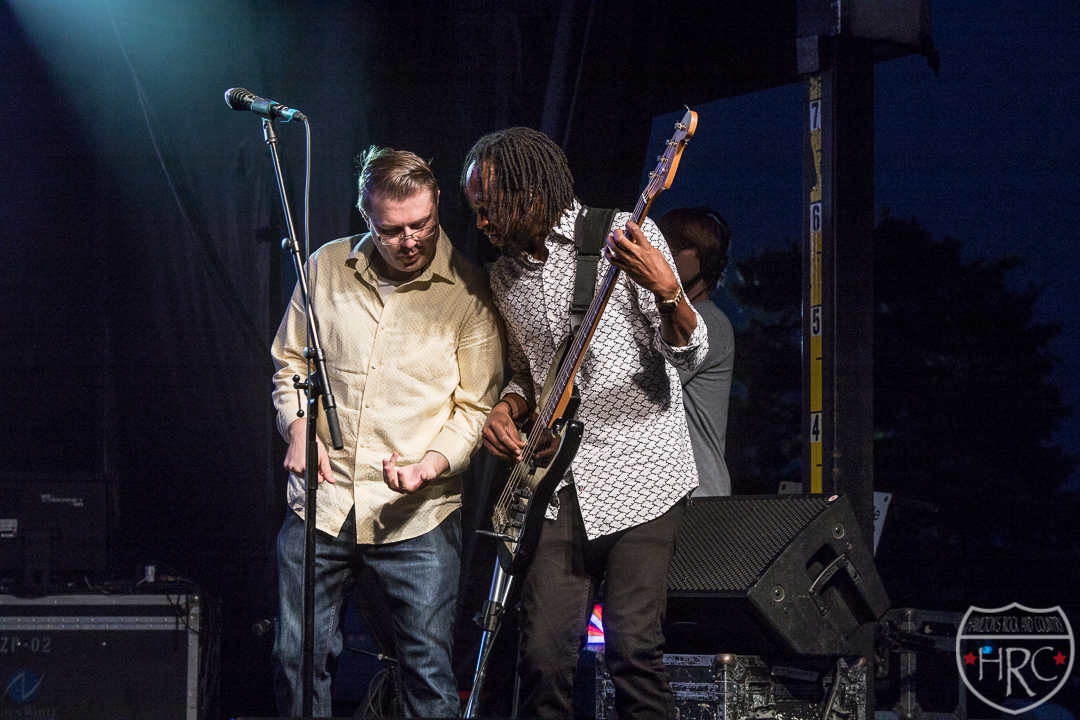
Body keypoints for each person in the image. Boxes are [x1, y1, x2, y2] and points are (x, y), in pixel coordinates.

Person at [462, 127, 708, 720]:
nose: (481, 222)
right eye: (475, 209)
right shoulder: (505, 278)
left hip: (642, 477)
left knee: (633, 654)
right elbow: (530, 374)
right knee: (542, 660)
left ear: (530, 192)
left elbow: (689, 355)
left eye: (489, 206)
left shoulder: (624, 234)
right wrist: (506, 408)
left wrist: (668, 291)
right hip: (558, 487)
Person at [270, 147, 504, 717]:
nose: (410, 240)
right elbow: (290, 364)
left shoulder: (470, 291)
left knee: (427, 672)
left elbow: (476, 407)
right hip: (322, 504)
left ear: (438, 202)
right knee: (296, 657)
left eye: (422, 223)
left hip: (417, 513)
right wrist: (298, 426)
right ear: (366, 216)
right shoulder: (325, 266)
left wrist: (431, 464)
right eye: (392, 229)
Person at [655, 208, 735, 497]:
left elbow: (651, 385)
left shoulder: (707, 322)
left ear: (707, 260)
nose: (662, 254)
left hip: (697, 496)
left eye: (675, 248)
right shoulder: (666, 322)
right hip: (674, 495)